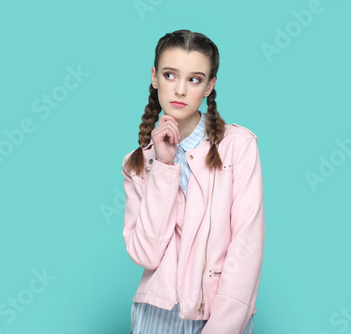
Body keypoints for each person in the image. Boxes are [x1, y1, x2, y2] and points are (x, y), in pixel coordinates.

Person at [121, 29, 265, 334]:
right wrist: (163, 166)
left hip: (219, 317)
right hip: (154, 319)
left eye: (195, 79)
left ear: (210, 86)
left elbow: (246, 247)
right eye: (170, 75)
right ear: (154, 77)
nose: (181, 90)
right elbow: (146, 254)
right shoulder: (138, 162)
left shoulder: (238, 146)